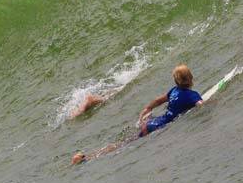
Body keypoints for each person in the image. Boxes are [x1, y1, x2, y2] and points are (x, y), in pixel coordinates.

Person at [72, 64, 202, 164]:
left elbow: (158, 100)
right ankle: (86, 158)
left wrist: (148, 108)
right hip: (157, 126)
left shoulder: (174, 91)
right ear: (190, 78)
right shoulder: (192, 95)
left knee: (124, 140)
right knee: (123, 144)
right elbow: (200, 104)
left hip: (153, 121)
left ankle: (88, 156)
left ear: (176, 81)